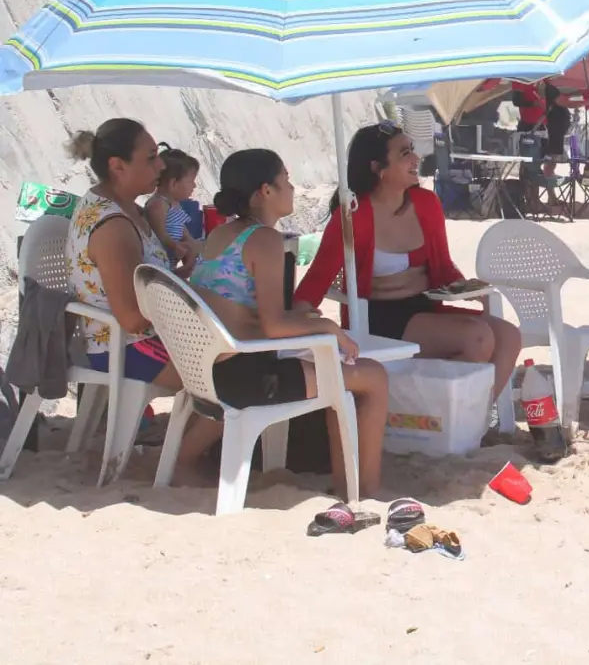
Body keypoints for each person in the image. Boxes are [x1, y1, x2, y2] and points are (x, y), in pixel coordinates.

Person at [187, 149, 389, 495]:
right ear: (266, 191)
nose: (292, 188)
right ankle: (362, 491)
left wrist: (305, 320)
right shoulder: (263, 240)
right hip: (245, 378)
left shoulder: (222, 235)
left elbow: (251, 313)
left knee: (335, 368)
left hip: (208, 370)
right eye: (286, 180)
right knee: (371, 377)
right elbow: (274, 327)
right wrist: (328, 328)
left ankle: (350, 483)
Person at [294, 122, 522, 404]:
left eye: (413, 150)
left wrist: (476, 292)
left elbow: (443, 266)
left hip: (425, 306)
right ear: (378, 168)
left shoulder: (426, 203)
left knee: (509, 335)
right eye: (405, 154)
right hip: (379, 318)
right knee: (477, 338)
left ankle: (475, 417)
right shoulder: (353, 216)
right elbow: (314, 284)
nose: (417, 159)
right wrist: (311, 326)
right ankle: (453, 416)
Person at [65, 119, 181, 390]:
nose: (161, 166)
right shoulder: (113, 225)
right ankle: (190, 434)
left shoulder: (125, 208)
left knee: (242, 358)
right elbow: (132, 319)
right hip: (126, 348)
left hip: (140, 340)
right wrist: (191, 306)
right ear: (118, 166)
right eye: (151, 158)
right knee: (234, 378)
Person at [514, 78, 578, 207]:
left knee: (549, 161)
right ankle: (532, 200)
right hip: (530, 127)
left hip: (545, 126)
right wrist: (534, 104)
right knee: (531, 165)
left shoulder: (543, 82)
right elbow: (516, 100)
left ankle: (551, 197)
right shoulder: (520, 81)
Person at [144, 144, 201, 272]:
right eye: (191, 181)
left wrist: (195, 246)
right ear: (173, 183)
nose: (195, 185)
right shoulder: (158, 205)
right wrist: (176, 246)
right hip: (159, 270)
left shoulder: (175, 204)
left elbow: (184, 232)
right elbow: (159, 236)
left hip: (171, 266)